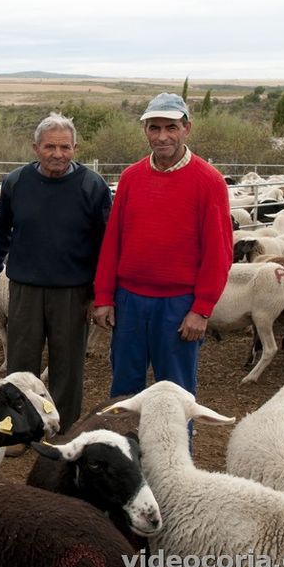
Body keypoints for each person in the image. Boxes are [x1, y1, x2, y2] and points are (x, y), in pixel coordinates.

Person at [0, 112, 111, 430]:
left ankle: (60, 427)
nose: (58, 154)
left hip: (73, 290)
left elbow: (106, 245)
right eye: (50, 147)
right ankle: (21, 425)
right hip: (25, 288)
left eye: (65, 147)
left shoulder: (92, 186)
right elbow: (0, 229)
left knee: (67, 365)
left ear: (75, 147)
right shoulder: (17, 182)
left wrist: (98, 294)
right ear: (35, 147)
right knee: (21, 362)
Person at [92, 93, 233, 399]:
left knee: (176, 393)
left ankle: (174, 448)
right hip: (129, 302)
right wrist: (104, 295)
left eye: (171, 127)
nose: (162, 136)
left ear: (187, 128)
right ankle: (126, 446)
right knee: (124, 390)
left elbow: (218, 253)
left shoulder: (209, 182)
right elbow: (113, 240)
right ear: (145, 131)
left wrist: (202, 309)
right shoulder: (131, 177)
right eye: (154, 128)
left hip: (178, 304)